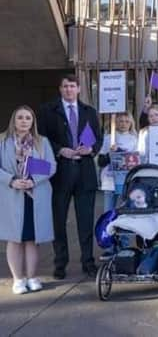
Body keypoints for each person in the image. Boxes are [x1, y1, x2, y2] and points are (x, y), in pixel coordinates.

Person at [38, 74, 103, 279]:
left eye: (72, 86)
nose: (69, 89)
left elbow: (98, 138)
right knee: (59, 221)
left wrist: (91, 149)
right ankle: (60, 263)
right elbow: (42, 138)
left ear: (78, 89)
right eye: (65, 86)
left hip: (84, 171)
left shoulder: (89, 112)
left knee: (85, 221)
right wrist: (59, 150)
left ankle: (88, 261)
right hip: (60, 172)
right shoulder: (48, 111)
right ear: (60, 89)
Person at [0, 106, 57, 294]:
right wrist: (12, 181)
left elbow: (51, 166)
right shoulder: (2, 141)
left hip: (35, 194)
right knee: (14, 239)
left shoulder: (42, 142)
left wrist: (33, 180)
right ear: (13, 121)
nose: (24, 121)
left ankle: (32, 277)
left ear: (33, 122)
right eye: (20, 118)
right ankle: (18, 280)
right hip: (11, 195)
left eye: (28, 118)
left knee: (33, 239)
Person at [97, 111, 138, 260]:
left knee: (125, 215)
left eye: (126, 121)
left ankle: (124, 246)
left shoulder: (134, 140)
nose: (123, 123)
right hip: (109, 182)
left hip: (126, 184)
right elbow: (100, 162)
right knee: (109, 215)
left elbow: (137, 161)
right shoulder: (108, 139)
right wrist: (109, 154)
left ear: (131, 123)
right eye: (120, 121)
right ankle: (109, 246)